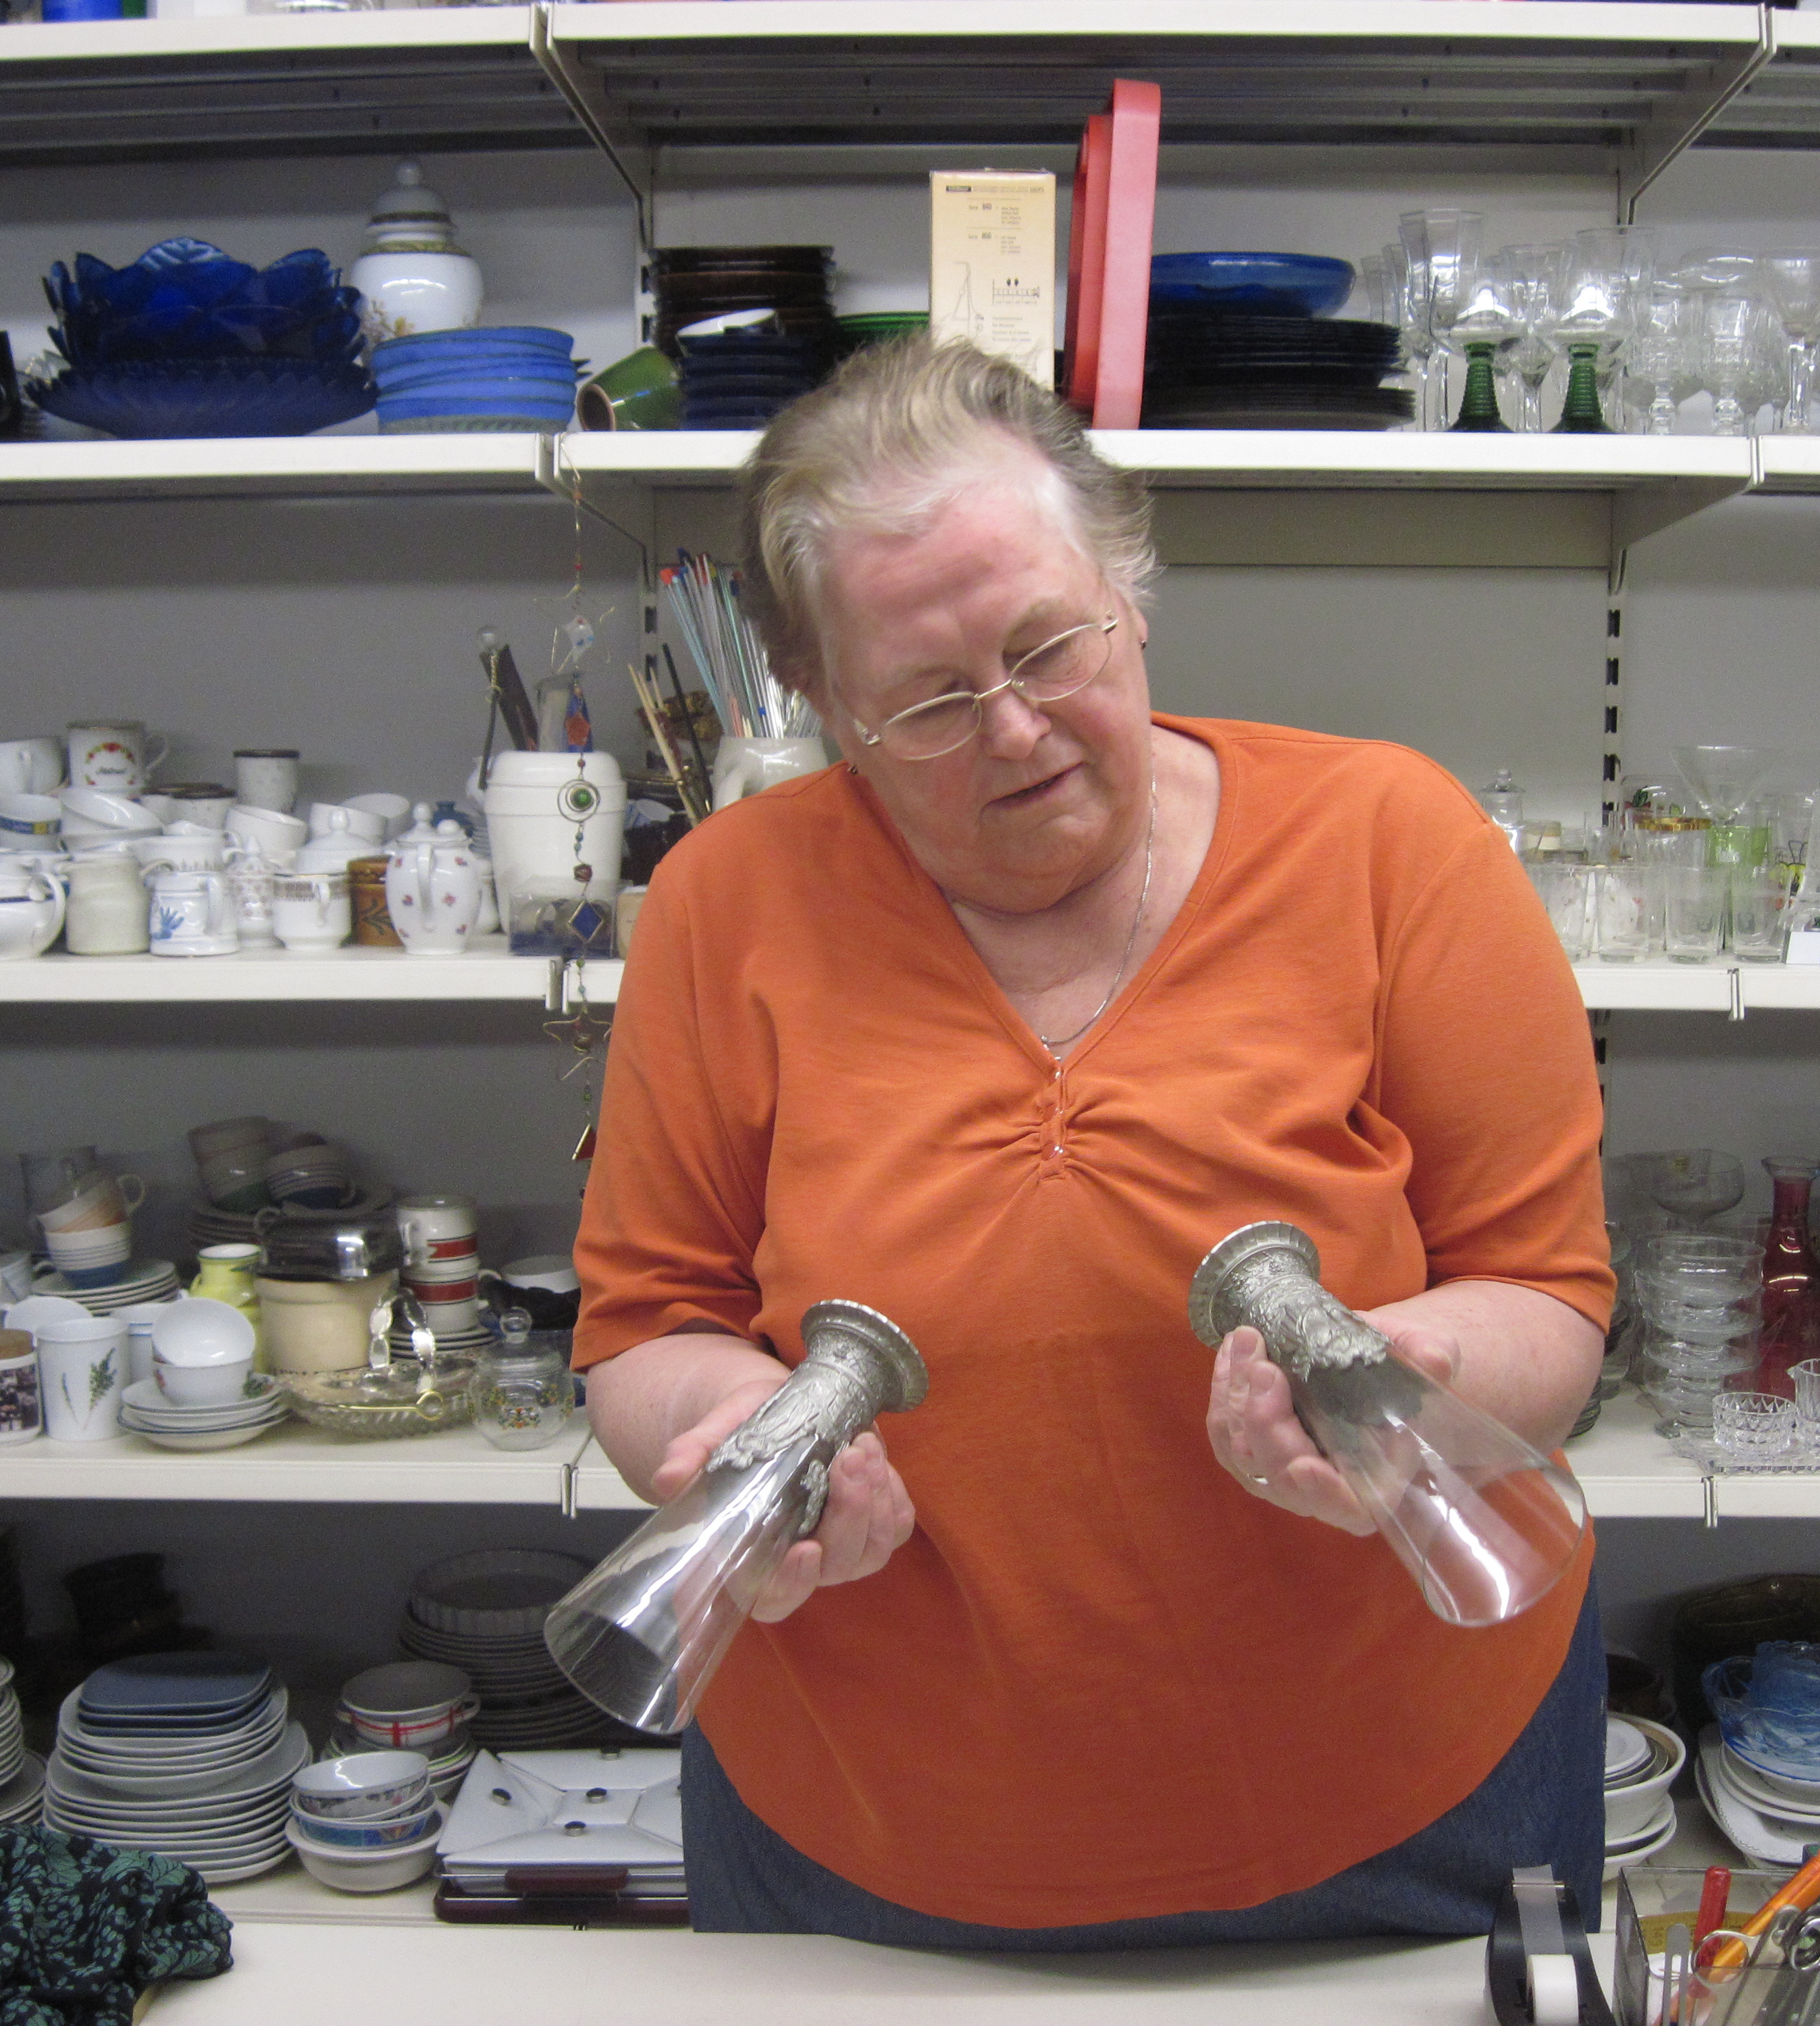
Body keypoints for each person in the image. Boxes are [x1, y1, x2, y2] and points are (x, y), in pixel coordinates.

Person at [573, 336, 1612, 1948]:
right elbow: (647, 1323)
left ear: (1129, 586)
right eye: (927, 700)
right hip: (865, 1809)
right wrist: (730, 1446)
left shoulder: (1390, 844)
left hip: (1399, 1777)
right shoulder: (727, 904)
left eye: (1049, 646)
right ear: (828, 710)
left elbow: (1547, 1294)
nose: (1013, 731)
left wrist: (1413, 1383)